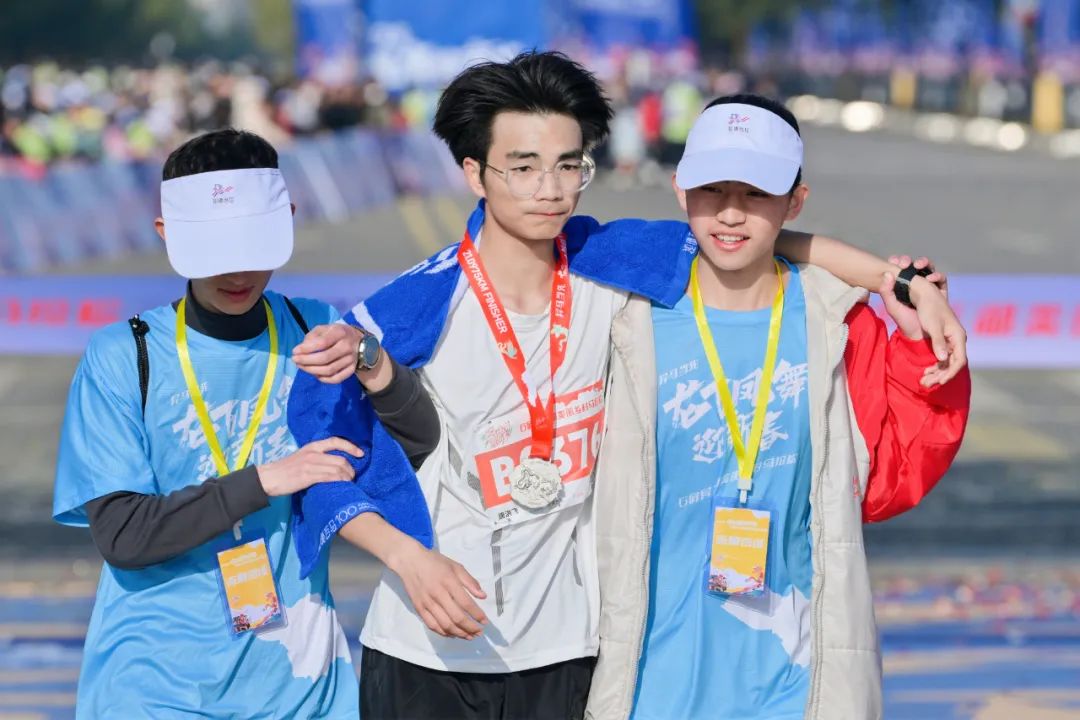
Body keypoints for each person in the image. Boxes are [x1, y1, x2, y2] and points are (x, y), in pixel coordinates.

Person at [290, 52, 967, 720]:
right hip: (429, 651)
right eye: (522, 168)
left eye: (568, 166)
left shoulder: (610, 272)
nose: (549, 190)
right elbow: (317, 453)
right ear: (475, 172)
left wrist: (904, 283)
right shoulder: (420, 304)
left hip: (568, 653)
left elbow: (752, 237)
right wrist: (407, 557)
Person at [584, 95, 972, 720]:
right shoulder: (624, 316)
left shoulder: (835, 324)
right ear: (680, 187)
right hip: (647, 685)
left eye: (756, 193)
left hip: (798, 688)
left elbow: (894, 476)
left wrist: (917, 341)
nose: (730, 212)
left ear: (795, 202)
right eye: (712, 189)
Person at [52, 128, 440, 718]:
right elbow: (124, 536)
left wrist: (373, 361)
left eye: (253, 244)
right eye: (214, 250)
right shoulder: (124, 356)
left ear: (287, 219)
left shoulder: (317, 332)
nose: (237, 270)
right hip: (154, 685)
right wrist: (263, 481)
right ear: (166, 233)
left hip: (298, 680)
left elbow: (413, 447)